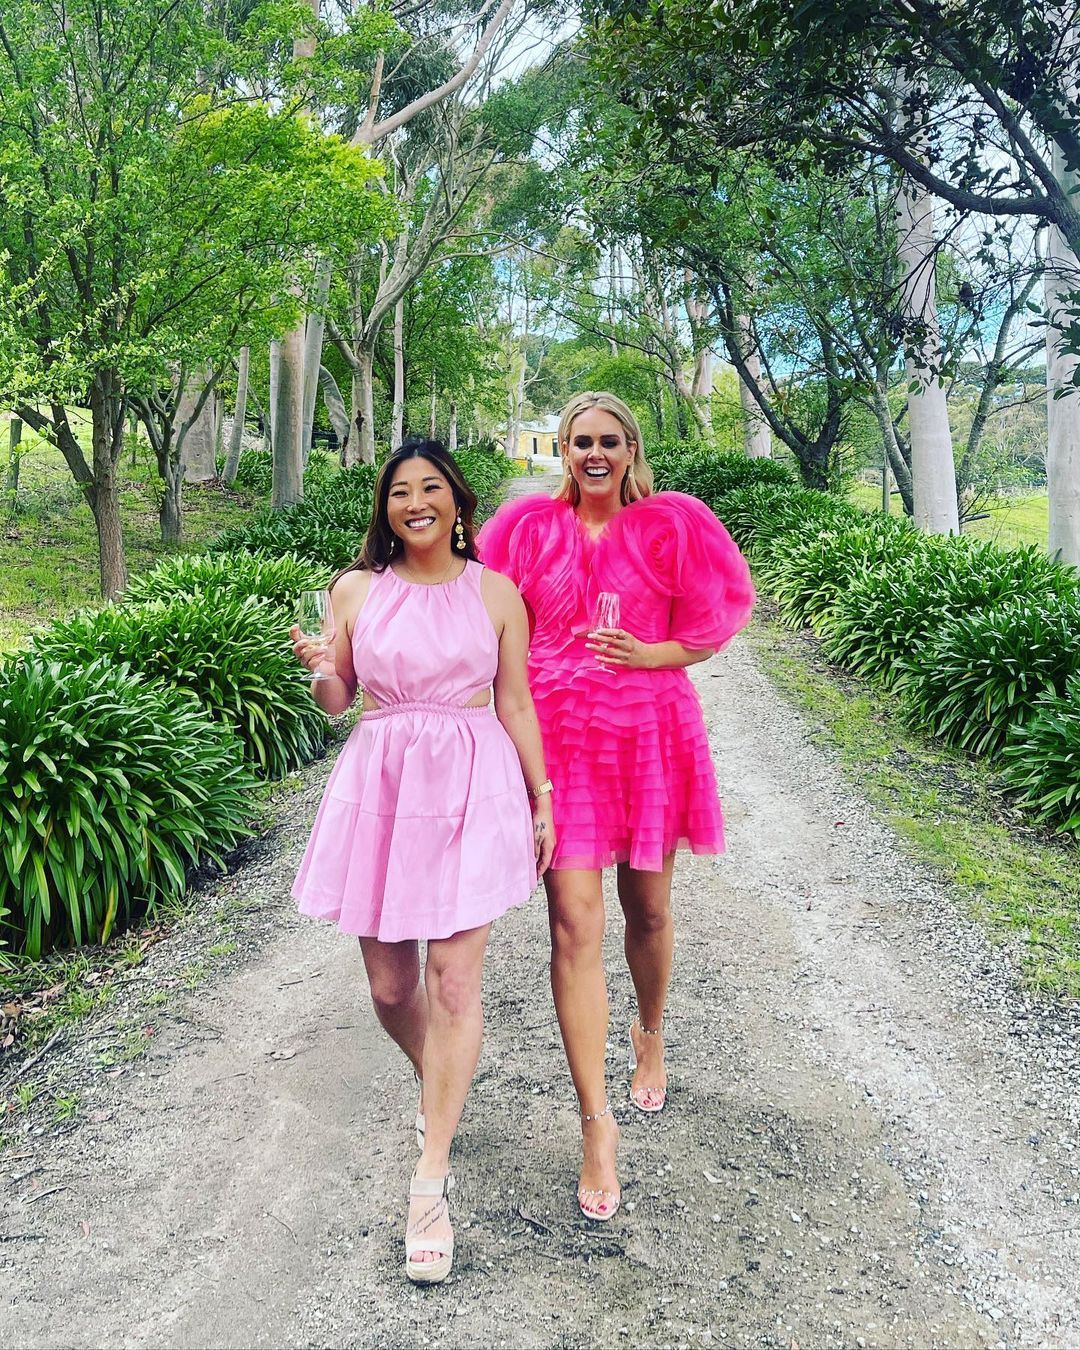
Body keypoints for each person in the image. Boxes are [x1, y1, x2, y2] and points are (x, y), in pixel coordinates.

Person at [477, 392, 754, 1222]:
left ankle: (651, 1030)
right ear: (562, 451)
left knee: (650, 910)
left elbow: (710, 627)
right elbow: (476, 615)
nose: (593, 453)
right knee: (574, 925)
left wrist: (647, 652)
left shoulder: (673, 523)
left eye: (608, 441)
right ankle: (596, 1125)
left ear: (631, 448)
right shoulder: (527, 528)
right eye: (579, 441)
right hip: (558, 743)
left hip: (646, 737)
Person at [291, 439, 555, 1285]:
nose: (416, 503)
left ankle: (430, 1179)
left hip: (474, 786)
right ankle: (438, 1081)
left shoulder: (497, 593)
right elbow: (340, 702)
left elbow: (515, 702)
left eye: (430, 488)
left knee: (453, 983)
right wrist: (322, 671)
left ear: (457, 501)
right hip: (384, 785)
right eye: (400, 491)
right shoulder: (357, 589)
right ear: (386, 508)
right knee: (390, 989)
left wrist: (542, 795)